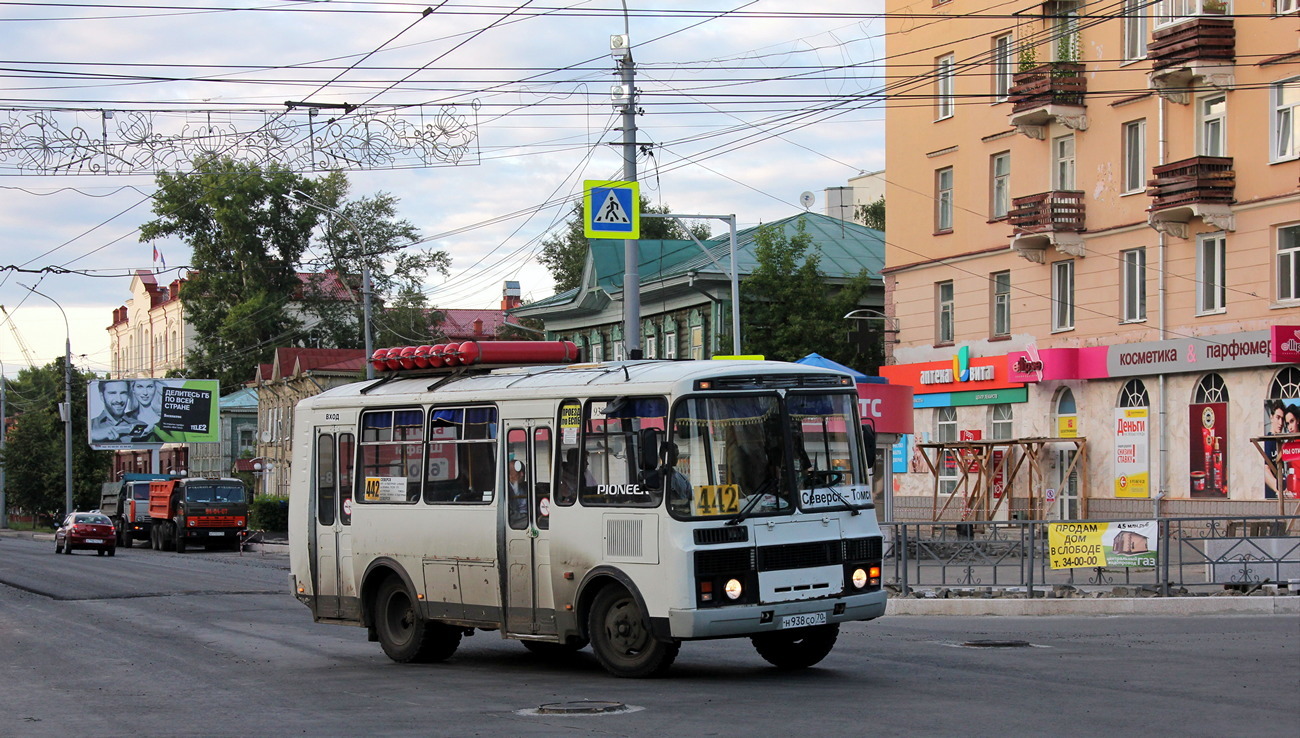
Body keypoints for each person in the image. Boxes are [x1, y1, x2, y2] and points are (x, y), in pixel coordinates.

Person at [1264, 399, 1285, 499]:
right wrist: (1279, 489)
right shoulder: (1268, 442)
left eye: (1283, 419)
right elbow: (1265, 470)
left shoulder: (1280, 442)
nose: (1280, 423)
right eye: (1278, 417)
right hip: (1271, 495)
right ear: (1271, 417)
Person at [506, 458, 529, 529]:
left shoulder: (526, 487)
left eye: (523, 471)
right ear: (509, 474)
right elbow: (509, 515)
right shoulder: (503, 490)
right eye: (518, 472)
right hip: (515, 523)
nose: (522, 474)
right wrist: (527, 516)